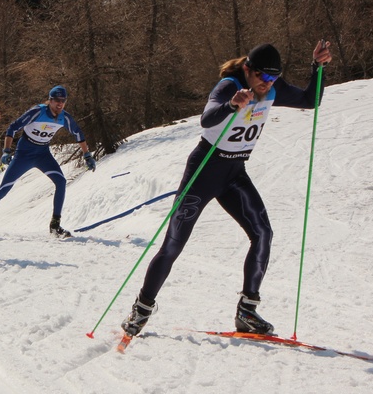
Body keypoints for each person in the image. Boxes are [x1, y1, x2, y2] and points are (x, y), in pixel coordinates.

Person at [121, 41, 333, 338]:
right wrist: (232, 105)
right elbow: (206, 119)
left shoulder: (272, 88)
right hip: (204, 171)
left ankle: (247, 311)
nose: (267, 83)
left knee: (263, 234)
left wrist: (317, 68)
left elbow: (310, 101)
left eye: (273, 78)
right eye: (262, 76)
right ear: (247, 69)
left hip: (234, 173)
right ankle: (142, 309)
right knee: (173, 244)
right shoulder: (228, 86)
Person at [0, 85, 96, 241]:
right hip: (24, 154)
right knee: (3, 189)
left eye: (63, 101)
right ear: (50, 100)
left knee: (61, 181)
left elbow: (78, 134)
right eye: (57, 100)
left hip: (43, 154)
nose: (60, 104)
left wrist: (87, 155)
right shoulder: (37, 112)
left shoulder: (64, 118)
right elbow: (12, 128)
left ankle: (55, 225)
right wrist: (6, 151)